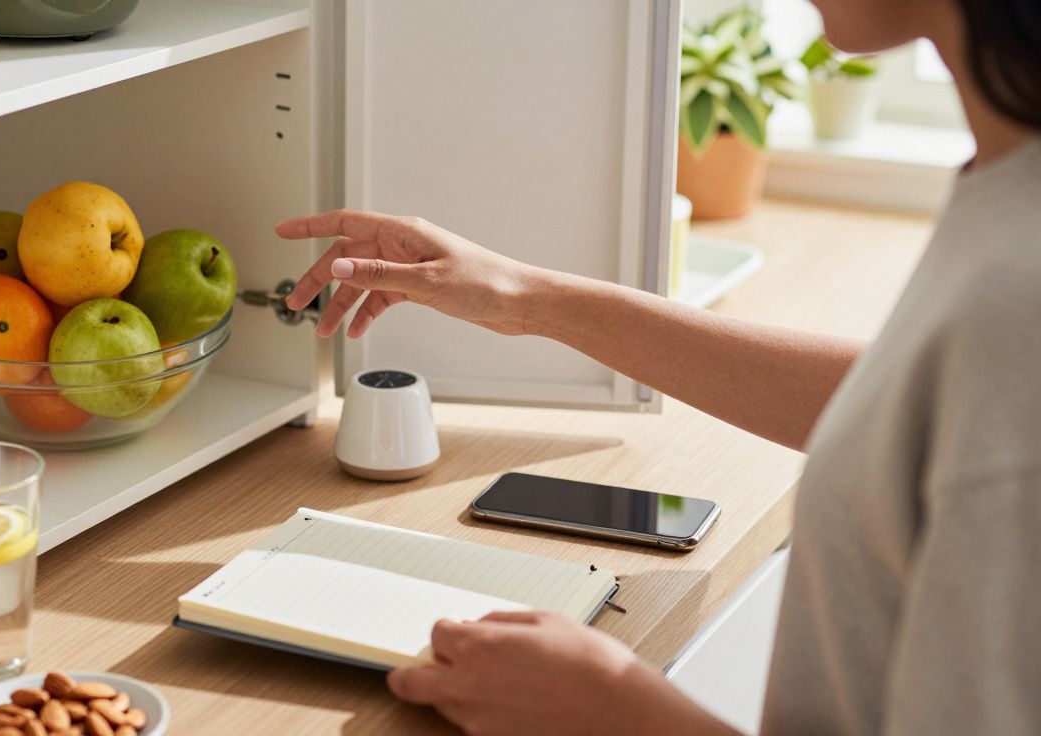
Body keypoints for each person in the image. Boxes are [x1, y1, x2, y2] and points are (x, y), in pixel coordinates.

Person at [275, 0, 1041, 733]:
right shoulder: (1009, 192)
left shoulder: (1017, 293)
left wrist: (618, 713)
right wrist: (522, 298)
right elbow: (912, 404)